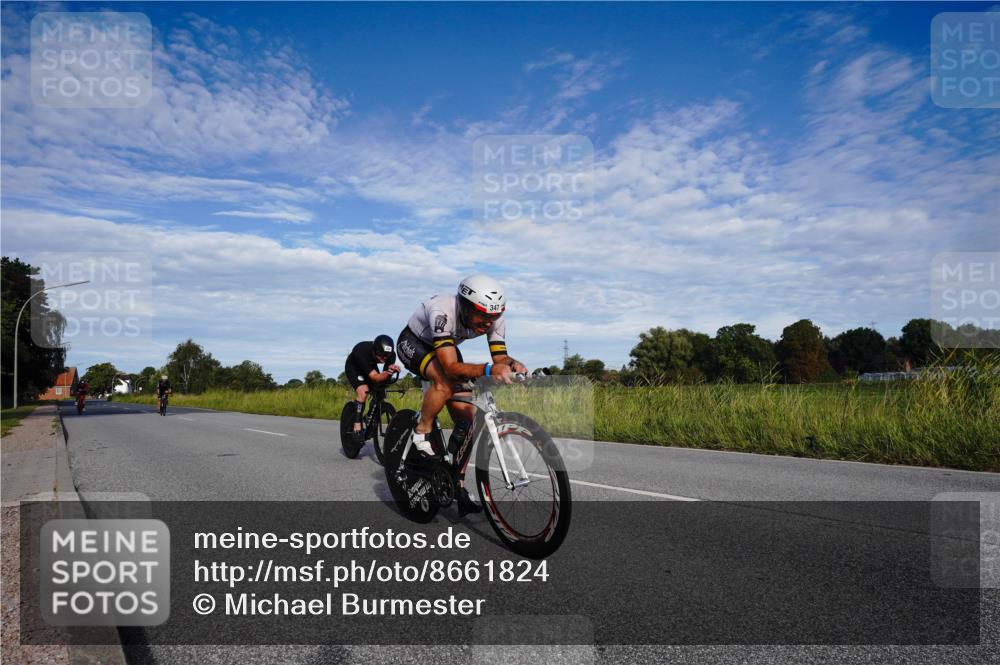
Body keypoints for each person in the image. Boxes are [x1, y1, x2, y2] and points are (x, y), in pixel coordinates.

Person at [395, 274, 528, 515]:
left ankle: (457, 484)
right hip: (413, 343)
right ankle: (421, 431)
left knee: (469, 417)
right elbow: (449, 367)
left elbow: (500, 358)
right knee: (444, 383)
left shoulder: (494, 320)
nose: (488, 323)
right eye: (483, 316)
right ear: (465, 306)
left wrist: (514, 363)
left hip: (445, 347)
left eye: (494, 317)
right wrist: (488, 369)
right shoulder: (442, 310)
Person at [345, 335, 401, 441]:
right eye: (381, 356)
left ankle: (368, 417)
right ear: (374, 350)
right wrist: (388, 373)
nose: (384, 359)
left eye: (386, 357)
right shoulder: (361, 350)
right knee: (363, 391)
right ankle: (357, 425)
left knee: (380, 390)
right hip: (354, 367)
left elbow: (384, 376)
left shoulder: (390, 355)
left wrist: (389, 372)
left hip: (370, 366)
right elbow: (375, 377)